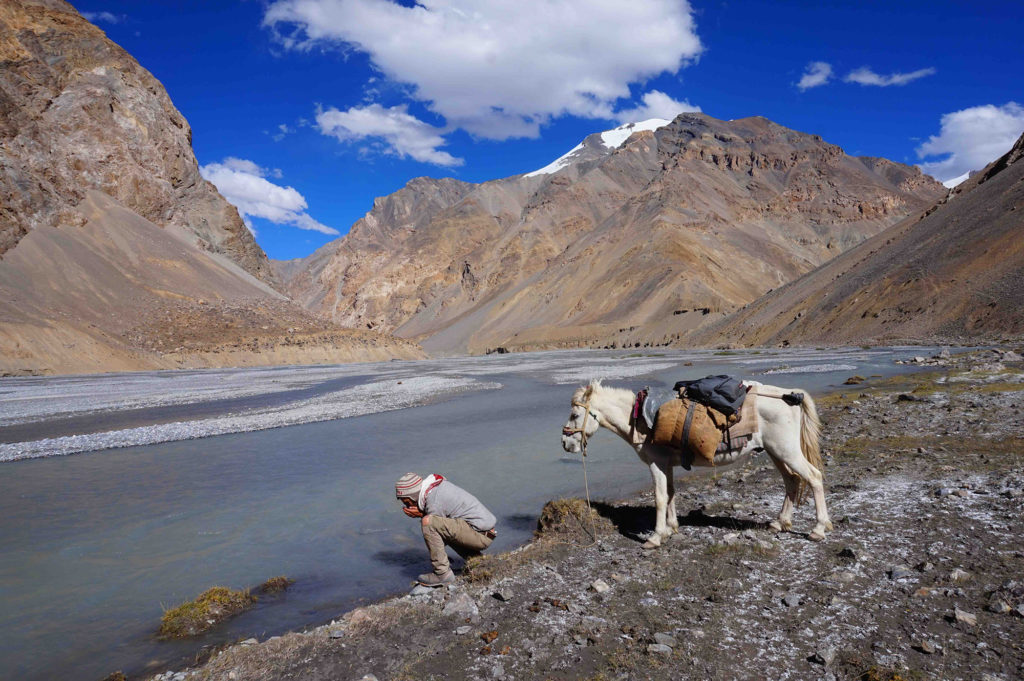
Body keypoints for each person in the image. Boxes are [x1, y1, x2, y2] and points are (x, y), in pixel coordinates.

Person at [395, 472, 497, 587]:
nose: (407, 507)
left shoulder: (433, 501)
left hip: (480, 536)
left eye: (406, 503)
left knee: (428, 523)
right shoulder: (434, 488)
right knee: (441, 525)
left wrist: (422, 515)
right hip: (484, 533)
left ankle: (442, 574)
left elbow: (435, 536)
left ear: (410, 498)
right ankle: (476, 559)